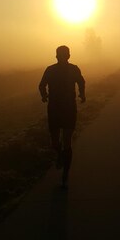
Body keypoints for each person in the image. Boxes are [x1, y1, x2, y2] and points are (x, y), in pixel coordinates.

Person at [39, 45, 86, 187]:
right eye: (60, 55)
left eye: (63, 55)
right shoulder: (50, 70)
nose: (62, 57)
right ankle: (60, 156)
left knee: (66, 141)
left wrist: (82, 94)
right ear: (57, 56)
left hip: (68, 108)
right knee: (56, 142)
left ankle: (65, 173)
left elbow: (81, 82)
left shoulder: (73, 69)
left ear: (68, 56)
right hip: (55, 108)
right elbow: (41, 85)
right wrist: (44, 95)